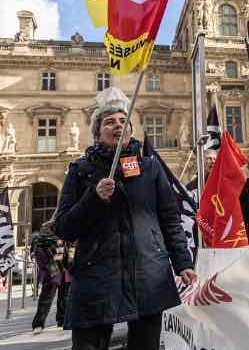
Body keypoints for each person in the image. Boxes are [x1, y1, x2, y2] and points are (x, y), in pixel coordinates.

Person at [55, 88, 196, 350]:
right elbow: (63, 226)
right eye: (109, 122)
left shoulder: (150, 167)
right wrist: (93, 199)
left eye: (123, 121)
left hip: (147, 273)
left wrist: (182, 263)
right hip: (96, 274)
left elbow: (169, 219)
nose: (118, 125)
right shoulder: (80, 170)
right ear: (97, 133)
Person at [31, 221, 71, 334]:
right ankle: (39, 323)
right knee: (47, 298)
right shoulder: (42, 241)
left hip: (63, 271)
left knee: (64, 297)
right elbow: (39, 256)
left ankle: (62, 320)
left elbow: (67, 253)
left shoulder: (63, 239)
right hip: (54, 271)